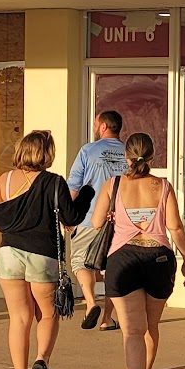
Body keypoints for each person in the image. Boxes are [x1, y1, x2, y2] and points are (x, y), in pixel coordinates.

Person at [89, 132, 185, 369]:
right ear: (152, 157)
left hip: (122, 260)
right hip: (158, 259)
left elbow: (97, 223)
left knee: (132, 332)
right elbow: (175, 227)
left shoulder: (113, 185)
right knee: (150, 326)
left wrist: (115, 215)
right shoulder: (163, 186)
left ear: (126, 157)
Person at [0, 130, 93, 369]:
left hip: (9, 254)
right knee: (46, 313)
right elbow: (71, 216)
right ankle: (42, 360)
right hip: (43, 256)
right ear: (47, 154)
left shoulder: (5, 179)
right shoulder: (54, 182)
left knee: (19, 318)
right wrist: (87, 193)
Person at [66, 109, 127, 330]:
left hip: (88, 218)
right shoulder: (129, 152)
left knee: (81, 262)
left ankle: (91, 303)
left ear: (103, 126)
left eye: (95, 123)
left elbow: (73, 187)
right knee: (113, 269)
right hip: (120, 223)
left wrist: (68, 214)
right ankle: (107, 318)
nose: (94, 127)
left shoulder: (88, 151)